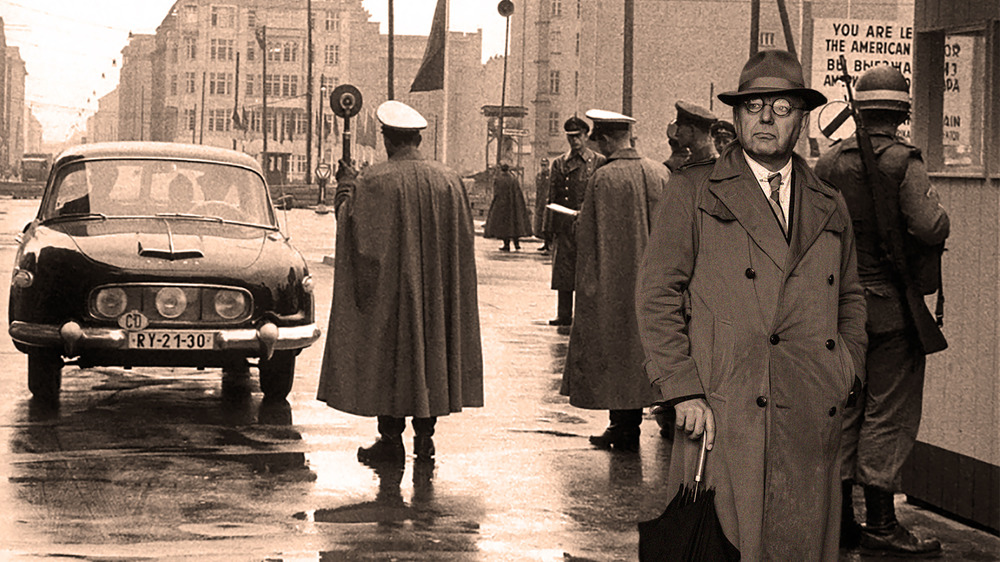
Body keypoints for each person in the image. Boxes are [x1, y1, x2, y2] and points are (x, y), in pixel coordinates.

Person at [636, 49, 867, 561]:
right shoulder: (695, 191)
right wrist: (682, 389)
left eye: (781, 107)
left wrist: (845, 369)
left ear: (801, 119)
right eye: (754, 105)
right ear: (737, 116)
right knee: (725, 546)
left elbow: (850, 297)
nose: (766, 117)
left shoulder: (830, 202)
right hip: (725, 412)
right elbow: (657, 295)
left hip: (812, 412)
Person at [814, 64, 949, 557]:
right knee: (887, 413)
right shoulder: (903, 162)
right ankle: (883, 522)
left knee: (845, 408)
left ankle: (841, 520)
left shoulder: (827, 164)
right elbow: (931, 226)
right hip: (892, 312)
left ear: (859, 111)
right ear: (900, 113)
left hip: (839, 310)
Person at [317, 100, 484, 465]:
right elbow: (464, 241)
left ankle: (391, 440)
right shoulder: (450, 180)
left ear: (387, 140)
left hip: (394, 294)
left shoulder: (375, 181)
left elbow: (354, 232)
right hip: (437, 293)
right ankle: (426, 439)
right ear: (418, 139)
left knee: (391, 359)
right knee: (431, 357)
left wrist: (346, 186)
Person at [561, 109, 670, 452]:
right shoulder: (660, 173)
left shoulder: (603, 179)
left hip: (616, 284)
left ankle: (623, 426)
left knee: (619, 351)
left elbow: (586, 236)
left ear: (606, 140)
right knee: (652, 350)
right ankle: (657, 419)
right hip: (658, 284)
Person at [545, 116, 606, 326]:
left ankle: (585, 316)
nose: (574, 141)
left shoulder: (598, 161)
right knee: (563, 270)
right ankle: (563, 314)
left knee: (587, 271)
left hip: (587, 223)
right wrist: (549, 228)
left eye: (578, 136)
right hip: (564, 222)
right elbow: (552, 196)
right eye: (570, 137)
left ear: (586, 136)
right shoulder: (560, 163)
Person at [484, 163, 532, 251]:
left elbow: (496, 193)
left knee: (505, 227)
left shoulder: (498, 179)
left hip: (502, 206)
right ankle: (517, 244)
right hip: (513, 206)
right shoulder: (514, 179)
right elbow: (518, 193)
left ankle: (506, 245)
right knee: (514, 225)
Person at [672, 100, 719, 166]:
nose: (676, 134)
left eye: (679, 128)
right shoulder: (694, 160)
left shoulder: (714, 165)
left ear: (691, 130)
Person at [532, 158, 553, 253]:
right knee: (540, 224)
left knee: (547, 224)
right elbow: (538, 190)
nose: (543, 167)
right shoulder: (539, 176)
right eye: (542, 165)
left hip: (548, 202)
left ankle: (549, 244)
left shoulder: (551, 176)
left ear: (548, 165)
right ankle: (545, 243)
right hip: (540, 202)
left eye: (545, 165)